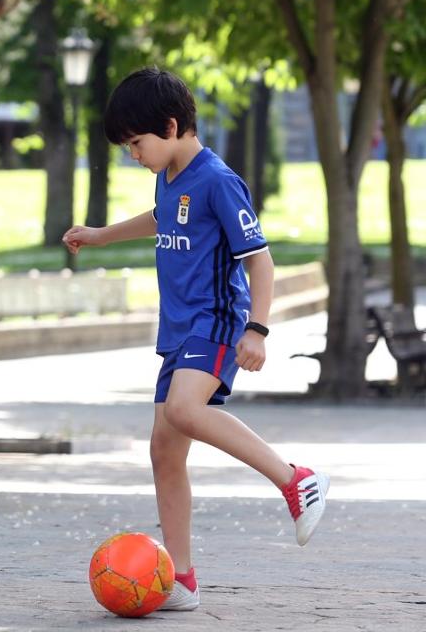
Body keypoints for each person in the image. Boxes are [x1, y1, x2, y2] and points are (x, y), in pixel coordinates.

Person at [62, 67, 329, 612]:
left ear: (171, 124)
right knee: (163, 452)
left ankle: (295, 479)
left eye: (137, 143)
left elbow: (262, 261)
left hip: (218, 322)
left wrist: (257, 329)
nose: (133, 154)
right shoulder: (170, 176)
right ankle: (181, 580)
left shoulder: (218, 180)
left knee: (185, 410)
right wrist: (100, 235)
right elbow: (162, 218)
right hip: (179, 331)